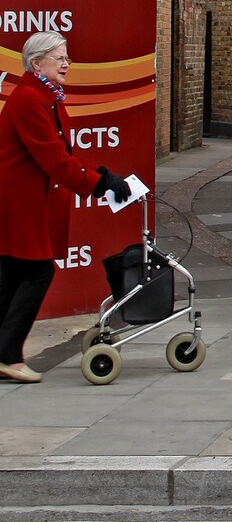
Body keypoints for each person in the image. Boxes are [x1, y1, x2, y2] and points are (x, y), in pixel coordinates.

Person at [0, 30, 130, 384]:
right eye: (59, 58)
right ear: (36, 62)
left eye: (67, 58)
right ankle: (8, 355)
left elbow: (63, 155)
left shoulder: (46, 97)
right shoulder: (30, 100)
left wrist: (97, 175)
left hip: (25, 202)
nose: (67, 64)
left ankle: (4, 353)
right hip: (20, 204)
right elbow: (55, 160)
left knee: (12, 274)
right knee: (36, 271)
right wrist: (100, 183)